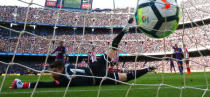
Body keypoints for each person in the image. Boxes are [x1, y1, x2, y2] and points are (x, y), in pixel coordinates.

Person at [10, 18, 156, 89]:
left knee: (115, 51)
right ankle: (147, 68)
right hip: (99, 77)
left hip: (96, 69)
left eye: (53, 71)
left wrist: (22, 84)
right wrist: (23, 84)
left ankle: (125, 32)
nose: (52, 74)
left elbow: (43, 85)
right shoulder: (63, 75)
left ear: (59, 68)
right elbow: (44, 84)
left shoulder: (63, 77)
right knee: (126, 75)